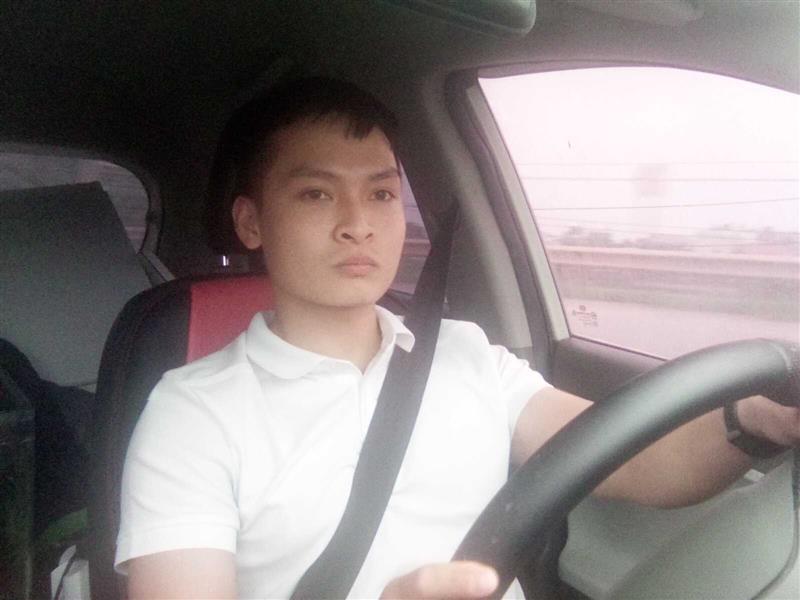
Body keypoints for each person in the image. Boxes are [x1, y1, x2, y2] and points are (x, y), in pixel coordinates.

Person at [116, 78, 800, 599]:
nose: (358, 223)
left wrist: (754, 417)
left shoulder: (468, 356)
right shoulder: (193, 412)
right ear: (251, 222)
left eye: (381, 194)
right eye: (316, 194)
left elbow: (638, 460)